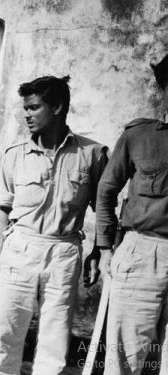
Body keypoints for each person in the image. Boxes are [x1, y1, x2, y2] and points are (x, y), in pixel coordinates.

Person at [0, 76, 108, 374]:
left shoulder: (92, 155)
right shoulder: (14, 155)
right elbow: (3, 208)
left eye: (34, 108)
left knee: (54, 344)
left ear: (57, 107)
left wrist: (98, 252)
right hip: (20, 248)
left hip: (64, 252)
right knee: (8, 337)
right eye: (25, 108)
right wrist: (0, 254)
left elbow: (106, 208)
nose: (26, 115)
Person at [94, 54, 168, 374]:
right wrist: (105, 248)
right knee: (128, 359)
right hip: (143, 254)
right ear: (164, 89)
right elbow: (106, 190)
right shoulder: (140, 135)